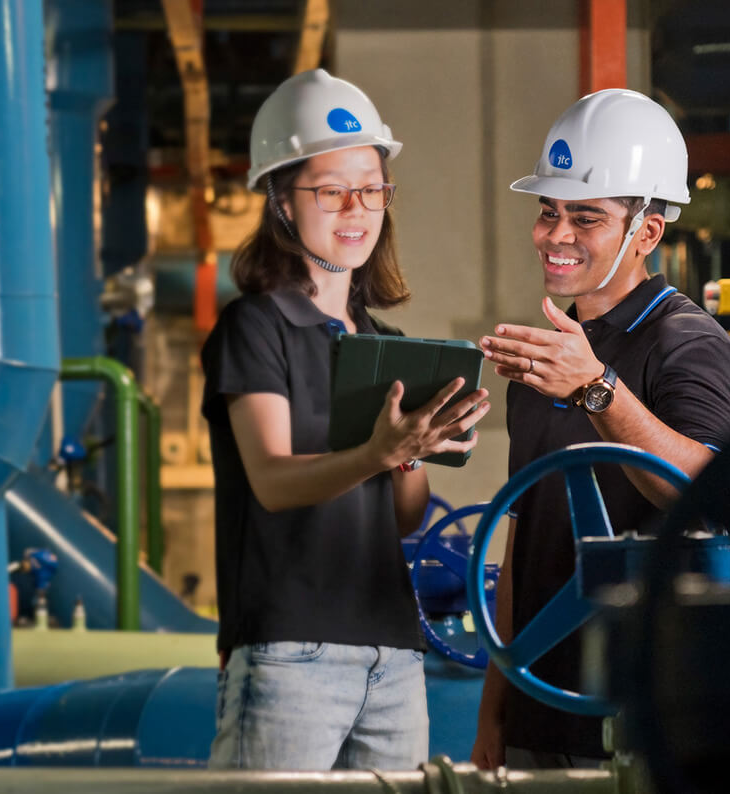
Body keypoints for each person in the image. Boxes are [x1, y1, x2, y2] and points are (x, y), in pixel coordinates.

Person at [201, 68, 490, 771]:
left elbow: (402, 518)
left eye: (372, 188)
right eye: (330, 190)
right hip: (287, 652)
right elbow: (271, 480)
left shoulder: (385, 342)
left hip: (392, 653)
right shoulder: (255, 328)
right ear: (279, 201)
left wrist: (417, 449)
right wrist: (378, 451)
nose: (356, 208)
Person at [471, 88, 730, 769]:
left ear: (646, 232)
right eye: (548, 213)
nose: (555, 235)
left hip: (642, 723)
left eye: (585, 217)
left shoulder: (689, 343)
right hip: (541, 714)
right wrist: (494, 716)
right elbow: (523, 537)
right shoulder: (550, 356)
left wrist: (598, 388)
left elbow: (706, 489)